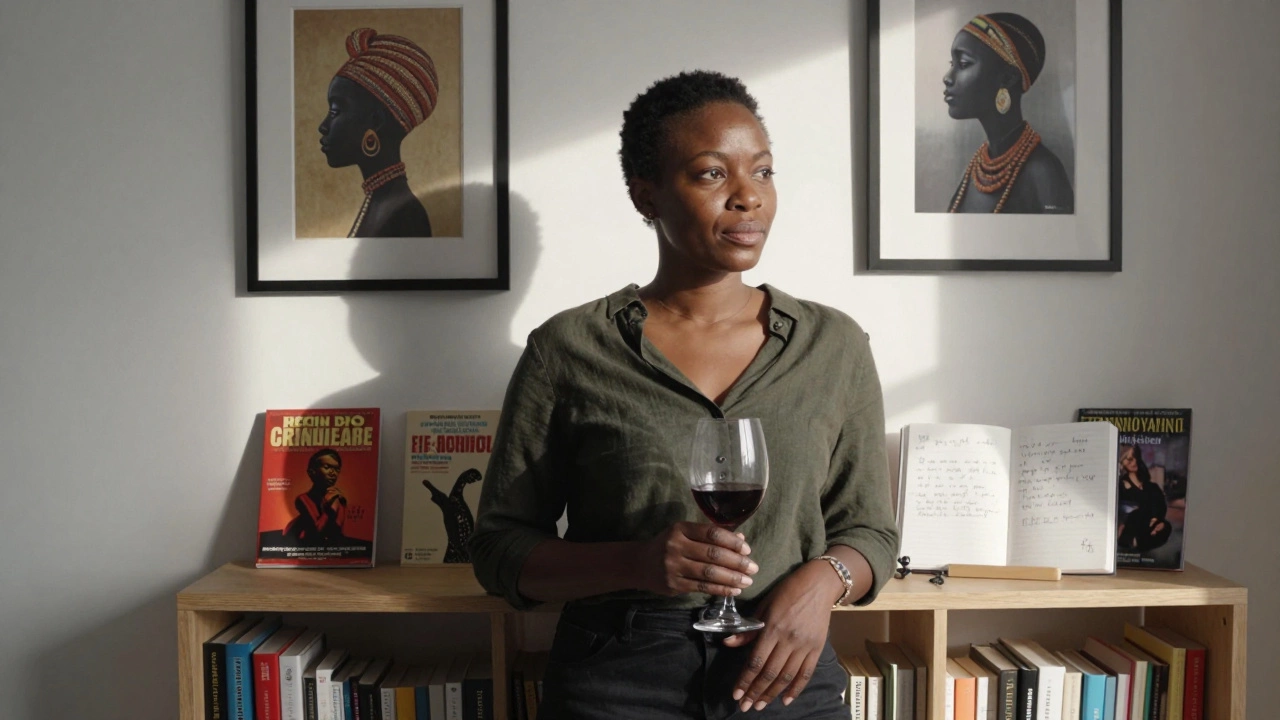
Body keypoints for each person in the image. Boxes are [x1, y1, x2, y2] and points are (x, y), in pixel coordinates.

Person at [469, 70, 899, 719]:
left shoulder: (833, 346)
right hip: (616, 678)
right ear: (646, 196)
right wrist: (639, 563)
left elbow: (868, 531)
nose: (748, 197)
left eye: (763, 171)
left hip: (782, 671)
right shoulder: (568, 349)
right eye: (711, 174)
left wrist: (822, 583)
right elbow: (502, 551)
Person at [942, 13, 1074, 214]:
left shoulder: (1043, 173)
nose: (947, 78)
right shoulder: (975, 168)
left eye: (964, 64)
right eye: (953, 65)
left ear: (1008, 78)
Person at [318, 28, 438, 238]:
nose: (323, 126)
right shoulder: (380, 199)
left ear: (376, 121)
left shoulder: (405, 214)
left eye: (335, 111)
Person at [283, 448, 348, 544]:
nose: (333, 473)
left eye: (337, 469)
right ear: (312, 472)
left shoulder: (339, 499)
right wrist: (330, 508)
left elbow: (337, 532)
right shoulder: (303, 499)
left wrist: (335, 503)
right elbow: (317, 532)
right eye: (327, 467)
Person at [1116, 444, 1171, 552]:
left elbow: (1160, 505)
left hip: (1150, 523)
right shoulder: (1121, 486)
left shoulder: (1150, 486)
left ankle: (1139, 540)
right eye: (1128, 459)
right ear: (1120, 463)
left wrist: (1157, 520)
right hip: (1133, 525)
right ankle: (1134, 540)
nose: (1133, 461)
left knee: (1166, 527)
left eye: (1134, 457)